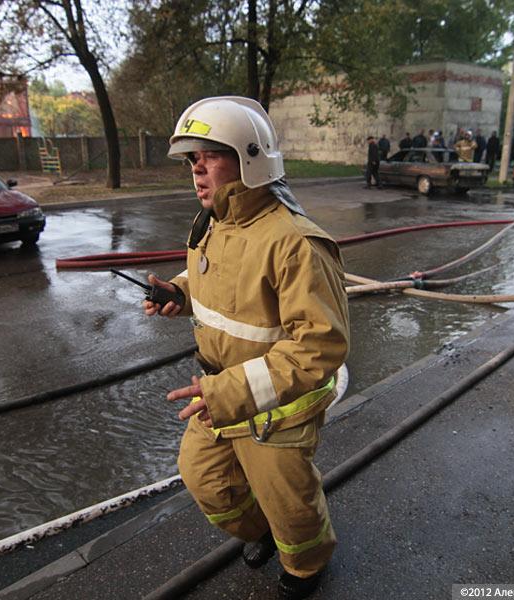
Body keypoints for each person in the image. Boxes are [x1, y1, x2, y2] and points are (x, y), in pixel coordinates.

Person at [144, 96, 350, 600]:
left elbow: (321, 344)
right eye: (191, 159)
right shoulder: (213, 223)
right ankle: (262, 532)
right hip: (218, 392)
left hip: (275, 407)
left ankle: (305, 564)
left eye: (209, 155)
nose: (196, 169)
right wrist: (180, 293)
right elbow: (219, 289)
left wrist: (230, 391)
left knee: (290, 504)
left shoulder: (295, 242)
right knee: (207, 480)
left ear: (250, 157)